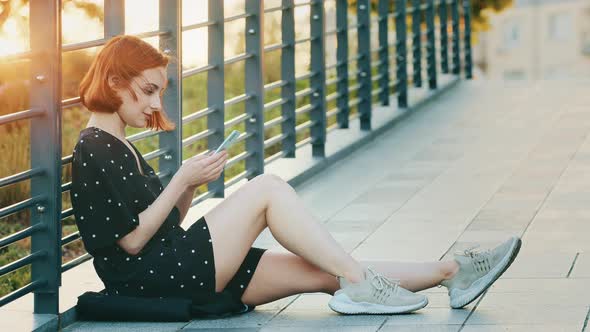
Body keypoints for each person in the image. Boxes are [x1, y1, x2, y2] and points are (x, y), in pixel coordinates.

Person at [70, 35, 522, 317]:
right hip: (154, 280)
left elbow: (162, 225)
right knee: (267, 189)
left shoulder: (120, 145)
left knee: (323, 271)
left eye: (159, 93)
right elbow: (130, 243)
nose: (155, 105)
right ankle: (361, 284)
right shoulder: (93, 147)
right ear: (113, 82)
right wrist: (178, 179)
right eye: (149, 90)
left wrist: (189, 185)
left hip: (170, 269)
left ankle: (452, 273)